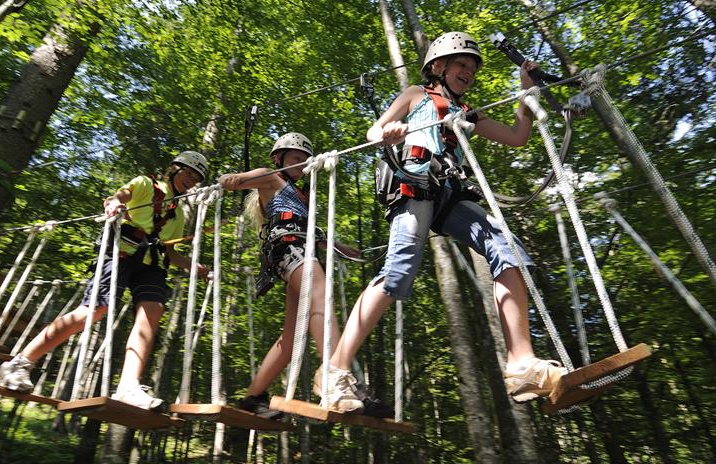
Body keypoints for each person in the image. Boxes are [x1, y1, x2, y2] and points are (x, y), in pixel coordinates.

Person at [322, 31, 567, 409]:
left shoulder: (467, 112)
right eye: (461, 64)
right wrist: (387, 134)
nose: (468, 72)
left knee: (505, 246)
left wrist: (524, 92)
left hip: (448, 192)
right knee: (398, 271)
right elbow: (374, 131)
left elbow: (518, 137)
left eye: (472, 67)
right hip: (415, 184)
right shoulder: (417, 95)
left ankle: (522, 365)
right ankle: (335, 374)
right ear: (438, 66)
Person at [0, 151, 210, 410]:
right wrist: (114, 204)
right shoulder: (145, 184)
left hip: (150, 264)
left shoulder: (178, 215)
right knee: (95, 309)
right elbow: (120, 196)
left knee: (153, 311)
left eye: (196, 178)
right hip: (119, 253)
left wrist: (194, 267)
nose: (190, 180)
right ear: (175, 169)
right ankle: (20, 362)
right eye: (188, 173)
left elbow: (169, 251)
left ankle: (129, 386)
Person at [219, 132, 373, 417]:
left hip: (299, 251)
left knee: (291, 338)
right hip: (289, 250)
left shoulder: (301, 198)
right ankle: (335, 379)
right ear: (279, 158)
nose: (301, 163)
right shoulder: (270, 177)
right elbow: (239, 180)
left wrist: (344, 248)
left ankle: (253, 397)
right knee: (320, 296)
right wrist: (232, 179)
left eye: (305, 160)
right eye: (295, 158)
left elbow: (312, 232)